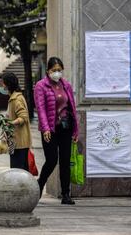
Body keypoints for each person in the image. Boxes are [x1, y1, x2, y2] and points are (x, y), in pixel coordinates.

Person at [34, 57, 79, 205]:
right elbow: (40, 109)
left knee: (65, 161)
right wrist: (45, 128)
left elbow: (72, 107)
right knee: (52, 160)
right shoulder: (41, 86)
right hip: (50, 129)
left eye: (59, 70)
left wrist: (76, 130)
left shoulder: (66, 85)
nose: (57, 73)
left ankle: (66, 194)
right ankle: (40, 184)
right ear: (48, 71)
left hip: (65, 128)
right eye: (54, 70)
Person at [0, 72, 31, 171]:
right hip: (15, 141)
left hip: (19, 142)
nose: (1, 86)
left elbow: (23, 117)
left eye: (2, 84)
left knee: (18, 171)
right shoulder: (14, 98)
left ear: (8, 85)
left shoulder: (16, 99)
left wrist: (11, 123)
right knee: (17, 170)